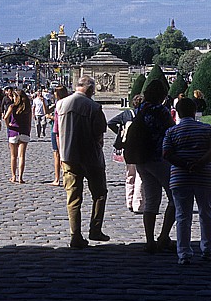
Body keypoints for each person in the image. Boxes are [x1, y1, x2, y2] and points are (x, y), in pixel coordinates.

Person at [163, 98, 211, 265]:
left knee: (182, 216)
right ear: (195, 111)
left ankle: (184, 252)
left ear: (178, 112)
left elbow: (166, 154)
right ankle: (208, 248)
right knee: (207, 213)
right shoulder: (206, 128)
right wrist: (201, 162)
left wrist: (184, 164)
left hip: (180, 178)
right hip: (205, 176)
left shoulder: (171, 132)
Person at [56, 76, 109, 248]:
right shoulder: (94, 106)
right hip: (91, 156)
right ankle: (95, 229)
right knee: (99, 194)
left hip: (68, 156)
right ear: (91, 90)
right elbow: (99, 131)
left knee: (73, 197)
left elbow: (57, 131)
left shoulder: (61, 104)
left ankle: (75, 235)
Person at [126, 79, 177, 254]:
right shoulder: (161, 110)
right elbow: (171, 132)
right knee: (175, 198)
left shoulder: (141, 108)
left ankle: (149, 240)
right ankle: (163, 236)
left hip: (142, 159)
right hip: (159, 158)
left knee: (152, 200)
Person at [107, 94, 144, 213]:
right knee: (140, 176)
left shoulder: (126, 114)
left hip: (127, 148)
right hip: (141, 148)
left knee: (130, 175)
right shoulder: (145, 115)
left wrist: (120, 133)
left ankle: (129, 201)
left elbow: (111, 123)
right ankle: (138, 204)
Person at [4, 88, 32, 183]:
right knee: (22, 156)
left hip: (13, 132)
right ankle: (21, 177)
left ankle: (13, 176)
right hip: (24, 131)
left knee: (13, 156)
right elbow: (29, 121)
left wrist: (8, 125)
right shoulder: (28, 108)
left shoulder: (12, 106)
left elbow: (5, 117)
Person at [47, 86, 68, 186]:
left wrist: (50, 117)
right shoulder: (68, 103)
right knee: (64, 154)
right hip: (66, 131)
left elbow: (59, 119)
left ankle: (57, 178)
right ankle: (65, 177)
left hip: (57, 131)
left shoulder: (59, 103)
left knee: (57, 155)